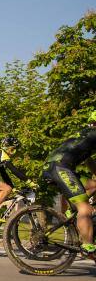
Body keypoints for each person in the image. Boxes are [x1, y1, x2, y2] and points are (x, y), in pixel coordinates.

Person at [41, 110, 96, 259]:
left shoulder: (85, 136)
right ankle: (87, 246)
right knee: (85, 208)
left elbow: (89, 161)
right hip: (60, 169)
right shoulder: (93, 135)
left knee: (93, 184)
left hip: (56, 167)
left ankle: (70, 214)